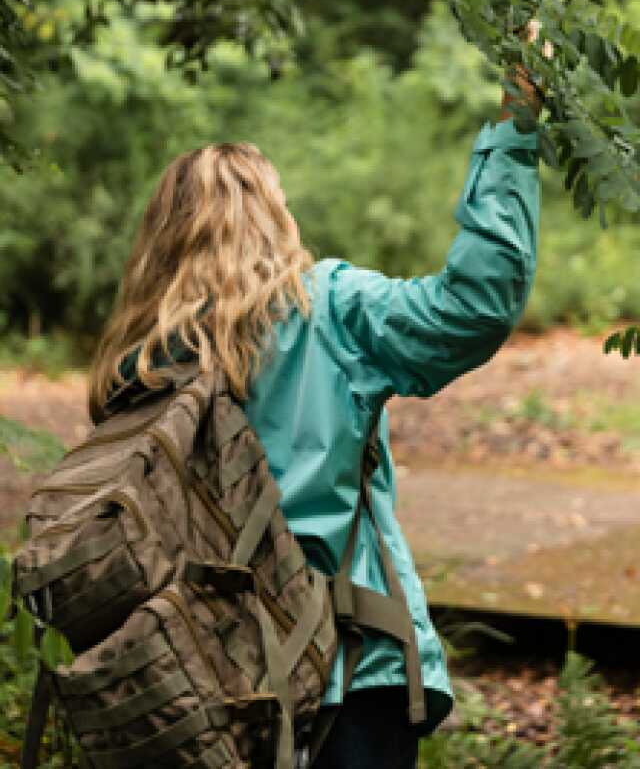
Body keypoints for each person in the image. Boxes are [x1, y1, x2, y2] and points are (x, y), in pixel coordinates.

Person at [88, 69, 540, 769]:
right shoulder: (326, 310)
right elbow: (473, 306)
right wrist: (514, 134)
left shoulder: (133, 364)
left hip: (193, 692)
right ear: (273, 219)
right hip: (346, 676)